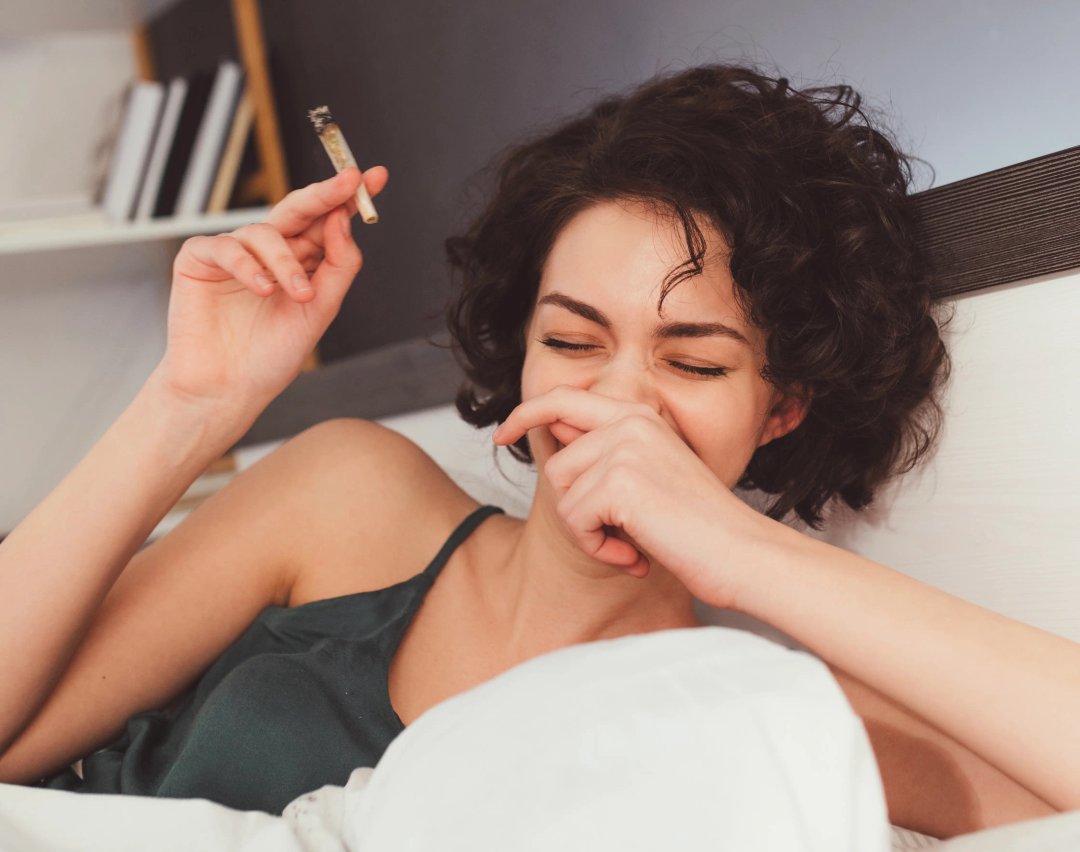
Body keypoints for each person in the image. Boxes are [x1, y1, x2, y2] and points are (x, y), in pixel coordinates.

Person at [0, 63, 1074, 838]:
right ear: (519, 356)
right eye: (571, 341)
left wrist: (750, 553)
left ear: (781, 408)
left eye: (693, 364)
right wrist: (189, 407)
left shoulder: (749, 708)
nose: (616, 401)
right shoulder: (350, 493)